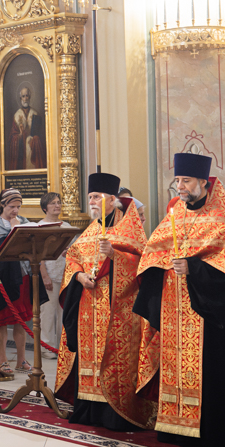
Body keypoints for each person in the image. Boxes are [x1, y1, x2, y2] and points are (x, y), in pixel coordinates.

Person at [134, 153, 225, 447]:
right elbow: (152, 253)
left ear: (204, 182)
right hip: (174, 311)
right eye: (178, 181)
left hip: (210, 316)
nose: (181, 186)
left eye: (186, 181)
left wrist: (195, 269)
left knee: (212, 373)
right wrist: (163, 267)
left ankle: (214, 433)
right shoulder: (175, 215)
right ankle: (176, 428)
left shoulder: (224, 222)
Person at [55, 175, 154, 431]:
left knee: (116, 360)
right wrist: (78, 276)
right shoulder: (90, 230)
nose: (92, 202)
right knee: (88, 360)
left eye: (96, 197)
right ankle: (89, 410)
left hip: (119, 310)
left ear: (112, 199)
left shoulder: (129, 230)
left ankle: (117, 413)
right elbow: (74, 258)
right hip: (89, 308)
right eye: (89, 197)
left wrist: (116, 256)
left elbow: (142, 264)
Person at [0, 189, 34, 375]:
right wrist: (15, 228)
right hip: (4, 278)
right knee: (2, 320)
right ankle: (3, 361)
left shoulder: (23, 221)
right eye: (11, 206)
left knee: (21, 320)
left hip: (23, 275)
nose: (15, 210)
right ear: (3, 205)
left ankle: (21, 359)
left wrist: (20, 226)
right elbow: (7, 247)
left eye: (18, 207)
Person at [35, 192, 71, 358]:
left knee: (64, 312)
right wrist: (45, 276)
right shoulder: (40, 228)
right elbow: (37, 255)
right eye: (53, 203)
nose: (57, 205)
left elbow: (75, 250)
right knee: (48, 312)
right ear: (45, 208)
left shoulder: (67, 227)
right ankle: (47, 348)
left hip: (66, 273)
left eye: (58, 202)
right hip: (49, 273)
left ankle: (62, 346)